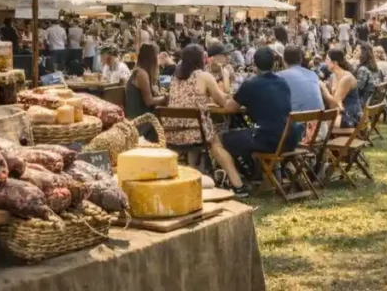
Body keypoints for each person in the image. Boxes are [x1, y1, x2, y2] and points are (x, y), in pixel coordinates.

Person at [165, 44, 249, 197]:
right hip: (196, 132)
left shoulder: (174, 79)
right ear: (200, 59)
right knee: (216, 145)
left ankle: (193, 182)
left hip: (173, 132)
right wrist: (224, 78)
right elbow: (223, 102)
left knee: (199, 135)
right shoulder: (203, 76)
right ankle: (238, 185)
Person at [220, 47, 302, 176]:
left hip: (269, 140)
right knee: (246, 133)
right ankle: (258, 172)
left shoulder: (250, 85)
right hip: (290, 138)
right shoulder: (282, 82)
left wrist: (225, 79)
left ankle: (238, 176)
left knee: (222, 139)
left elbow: (229, 108)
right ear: (274, 63)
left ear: (254, 64)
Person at [124, 43, 166, 142]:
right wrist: (165, 98)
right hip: (140, 121)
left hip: (139, 118)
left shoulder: (139, 71)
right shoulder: (141, 74)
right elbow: (149, 101)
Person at [278, 45, 329, 113]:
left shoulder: (279, 76)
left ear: (283, 60)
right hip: (319, 120)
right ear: (301, 59)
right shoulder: (313, 74)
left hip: (296, 121)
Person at [326, 47, 362, 128]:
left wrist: (323, 90)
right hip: (340, 112)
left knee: (319, 125)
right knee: (317, 123)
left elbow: (334, 104)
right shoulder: (333, 76)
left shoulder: (346, 78)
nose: (325, 62)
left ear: (335, 62)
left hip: (350, 116)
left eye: (327, 60)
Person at [354, 42, 383, 106]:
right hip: (375, 100)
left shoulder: (363, 69)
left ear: (363, 53)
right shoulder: (374, 67)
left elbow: (357, 89)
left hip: (365, 102)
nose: (354, 52)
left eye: (357, 50)